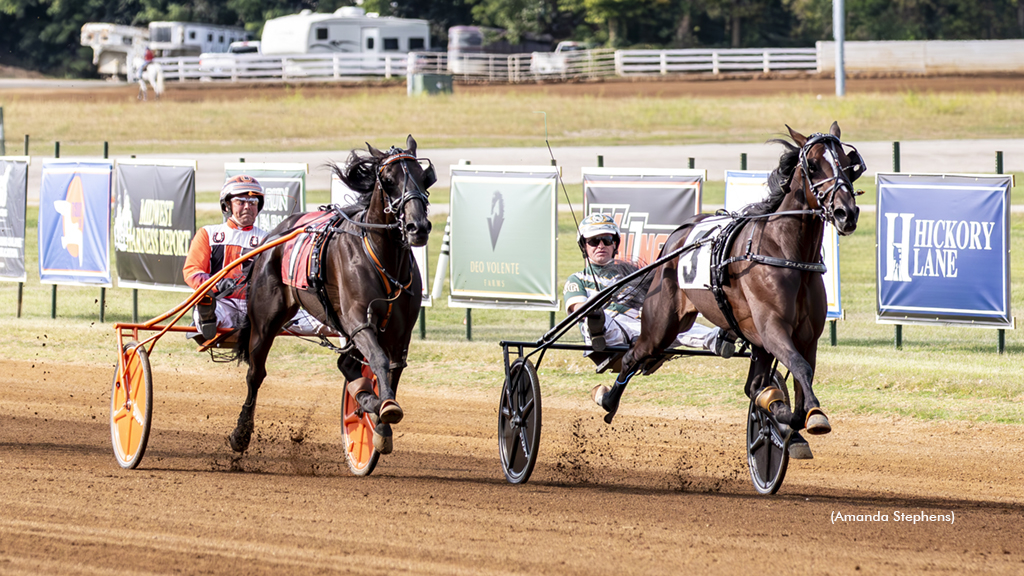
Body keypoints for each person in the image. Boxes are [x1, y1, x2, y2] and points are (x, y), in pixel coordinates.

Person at [562, 213, 735, 358]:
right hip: (610, 332)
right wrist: (596, 312)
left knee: (671, 321)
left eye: (607, 240)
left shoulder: (630, 273)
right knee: (596, 315)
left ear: (615, 244)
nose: (601, 245)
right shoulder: (577, 279)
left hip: (642, 328)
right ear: (584, 246)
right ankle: (597, 328)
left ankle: (720, 337)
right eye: (594, 241)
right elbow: (579, 309)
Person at [183, 175, 328, 341]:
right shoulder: (208, 234)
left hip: (260, 307)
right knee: (209, 308)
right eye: (241, 202)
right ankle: (206, 317)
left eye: (253, 203)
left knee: (325, 321)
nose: (247, 207)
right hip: (222, 302)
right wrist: (217, 285)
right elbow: (192, 272)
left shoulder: (269, 240)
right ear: (227, 205)